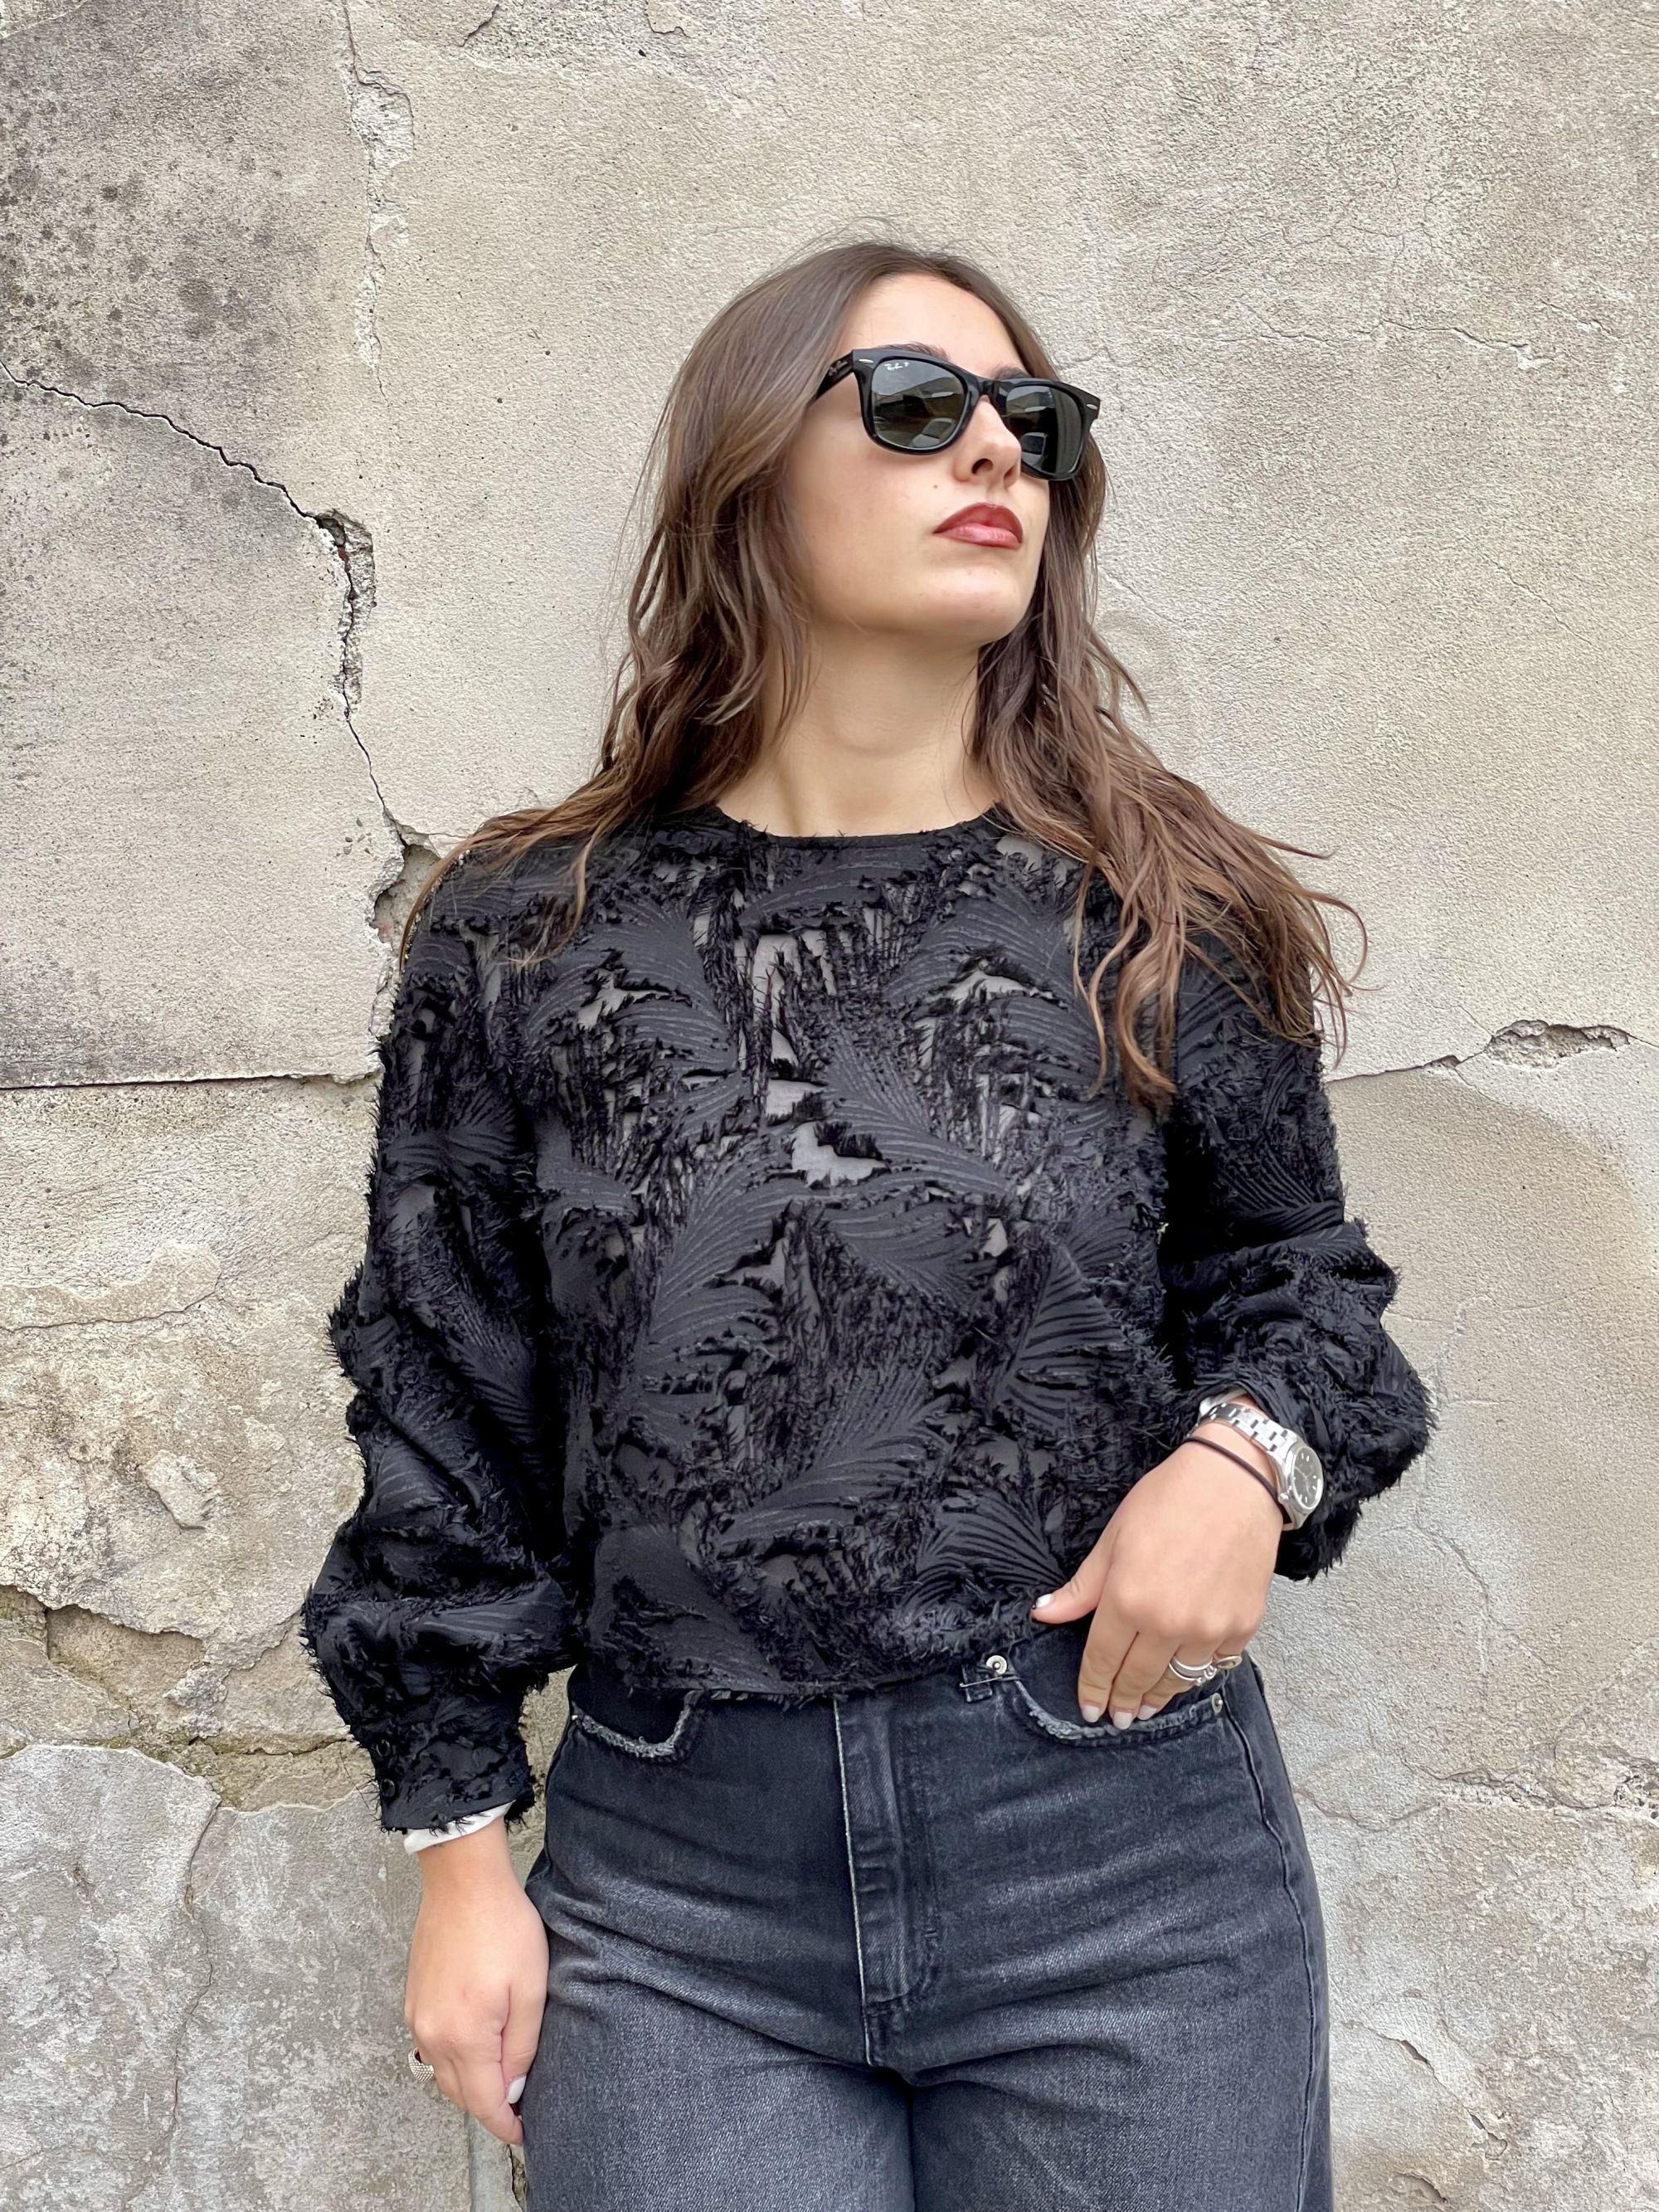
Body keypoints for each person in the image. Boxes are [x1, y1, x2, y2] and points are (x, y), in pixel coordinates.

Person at [299, 234, 1435, 2212]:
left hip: (1123, 1873)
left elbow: (1299, 1288)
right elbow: (441, 1395)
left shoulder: (1159, 906)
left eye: (1032, 421)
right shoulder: (527, 935)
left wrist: (1239, 1464)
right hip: (677, 1903)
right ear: (750, 468)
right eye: (916, 406)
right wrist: (458, 1851)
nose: (992, 451)